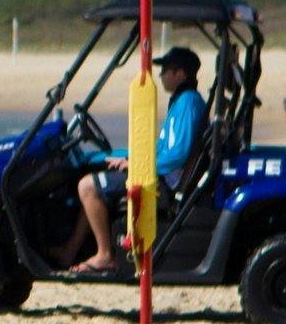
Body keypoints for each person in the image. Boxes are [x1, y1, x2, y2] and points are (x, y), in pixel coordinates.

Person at [66, 43, 205, 275]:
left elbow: (178, 153)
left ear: (180, 74)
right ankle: (70, 251)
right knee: (96, 177)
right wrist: (130, 156)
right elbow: (163, 147)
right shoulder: (181, 101)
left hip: (164, 182)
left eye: (165, 71)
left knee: (87, 186)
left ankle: (104, 256)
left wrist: (137, 166)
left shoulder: (188, 102)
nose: (160, 76)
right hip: (159, 172)